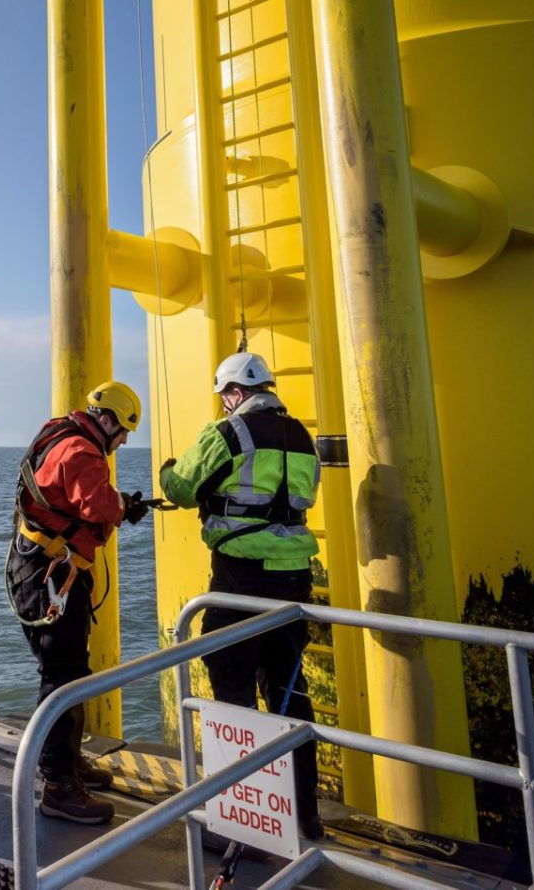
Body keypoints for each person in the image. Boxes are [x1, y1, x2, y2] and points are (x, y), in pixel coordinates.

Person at [158, 351, 326, 841]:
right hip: (294, 578)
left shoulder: (227, 432)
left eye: (224, 397)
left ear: (234, 392)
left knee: (232, 690)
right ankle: (304, 815)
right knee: (289, 691)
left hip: (241, 579)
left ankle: (241, 821)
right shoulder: (301, 436)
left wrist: (168, 469)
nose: (224, 405)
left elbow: (183, 487)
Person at [5, 380, 151, 826]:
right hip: (49, 576)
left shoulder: (60, 431)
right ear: (106, 421)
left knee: (68, 670)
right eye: (123, 431)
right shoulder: (82, 453)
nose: (124, 441)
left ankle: (67, 762)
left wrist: (120, 505)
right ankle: (58, 784)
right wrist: (124, 507)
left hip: (39, 569)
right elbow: (100, 506)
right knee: (64, 676)